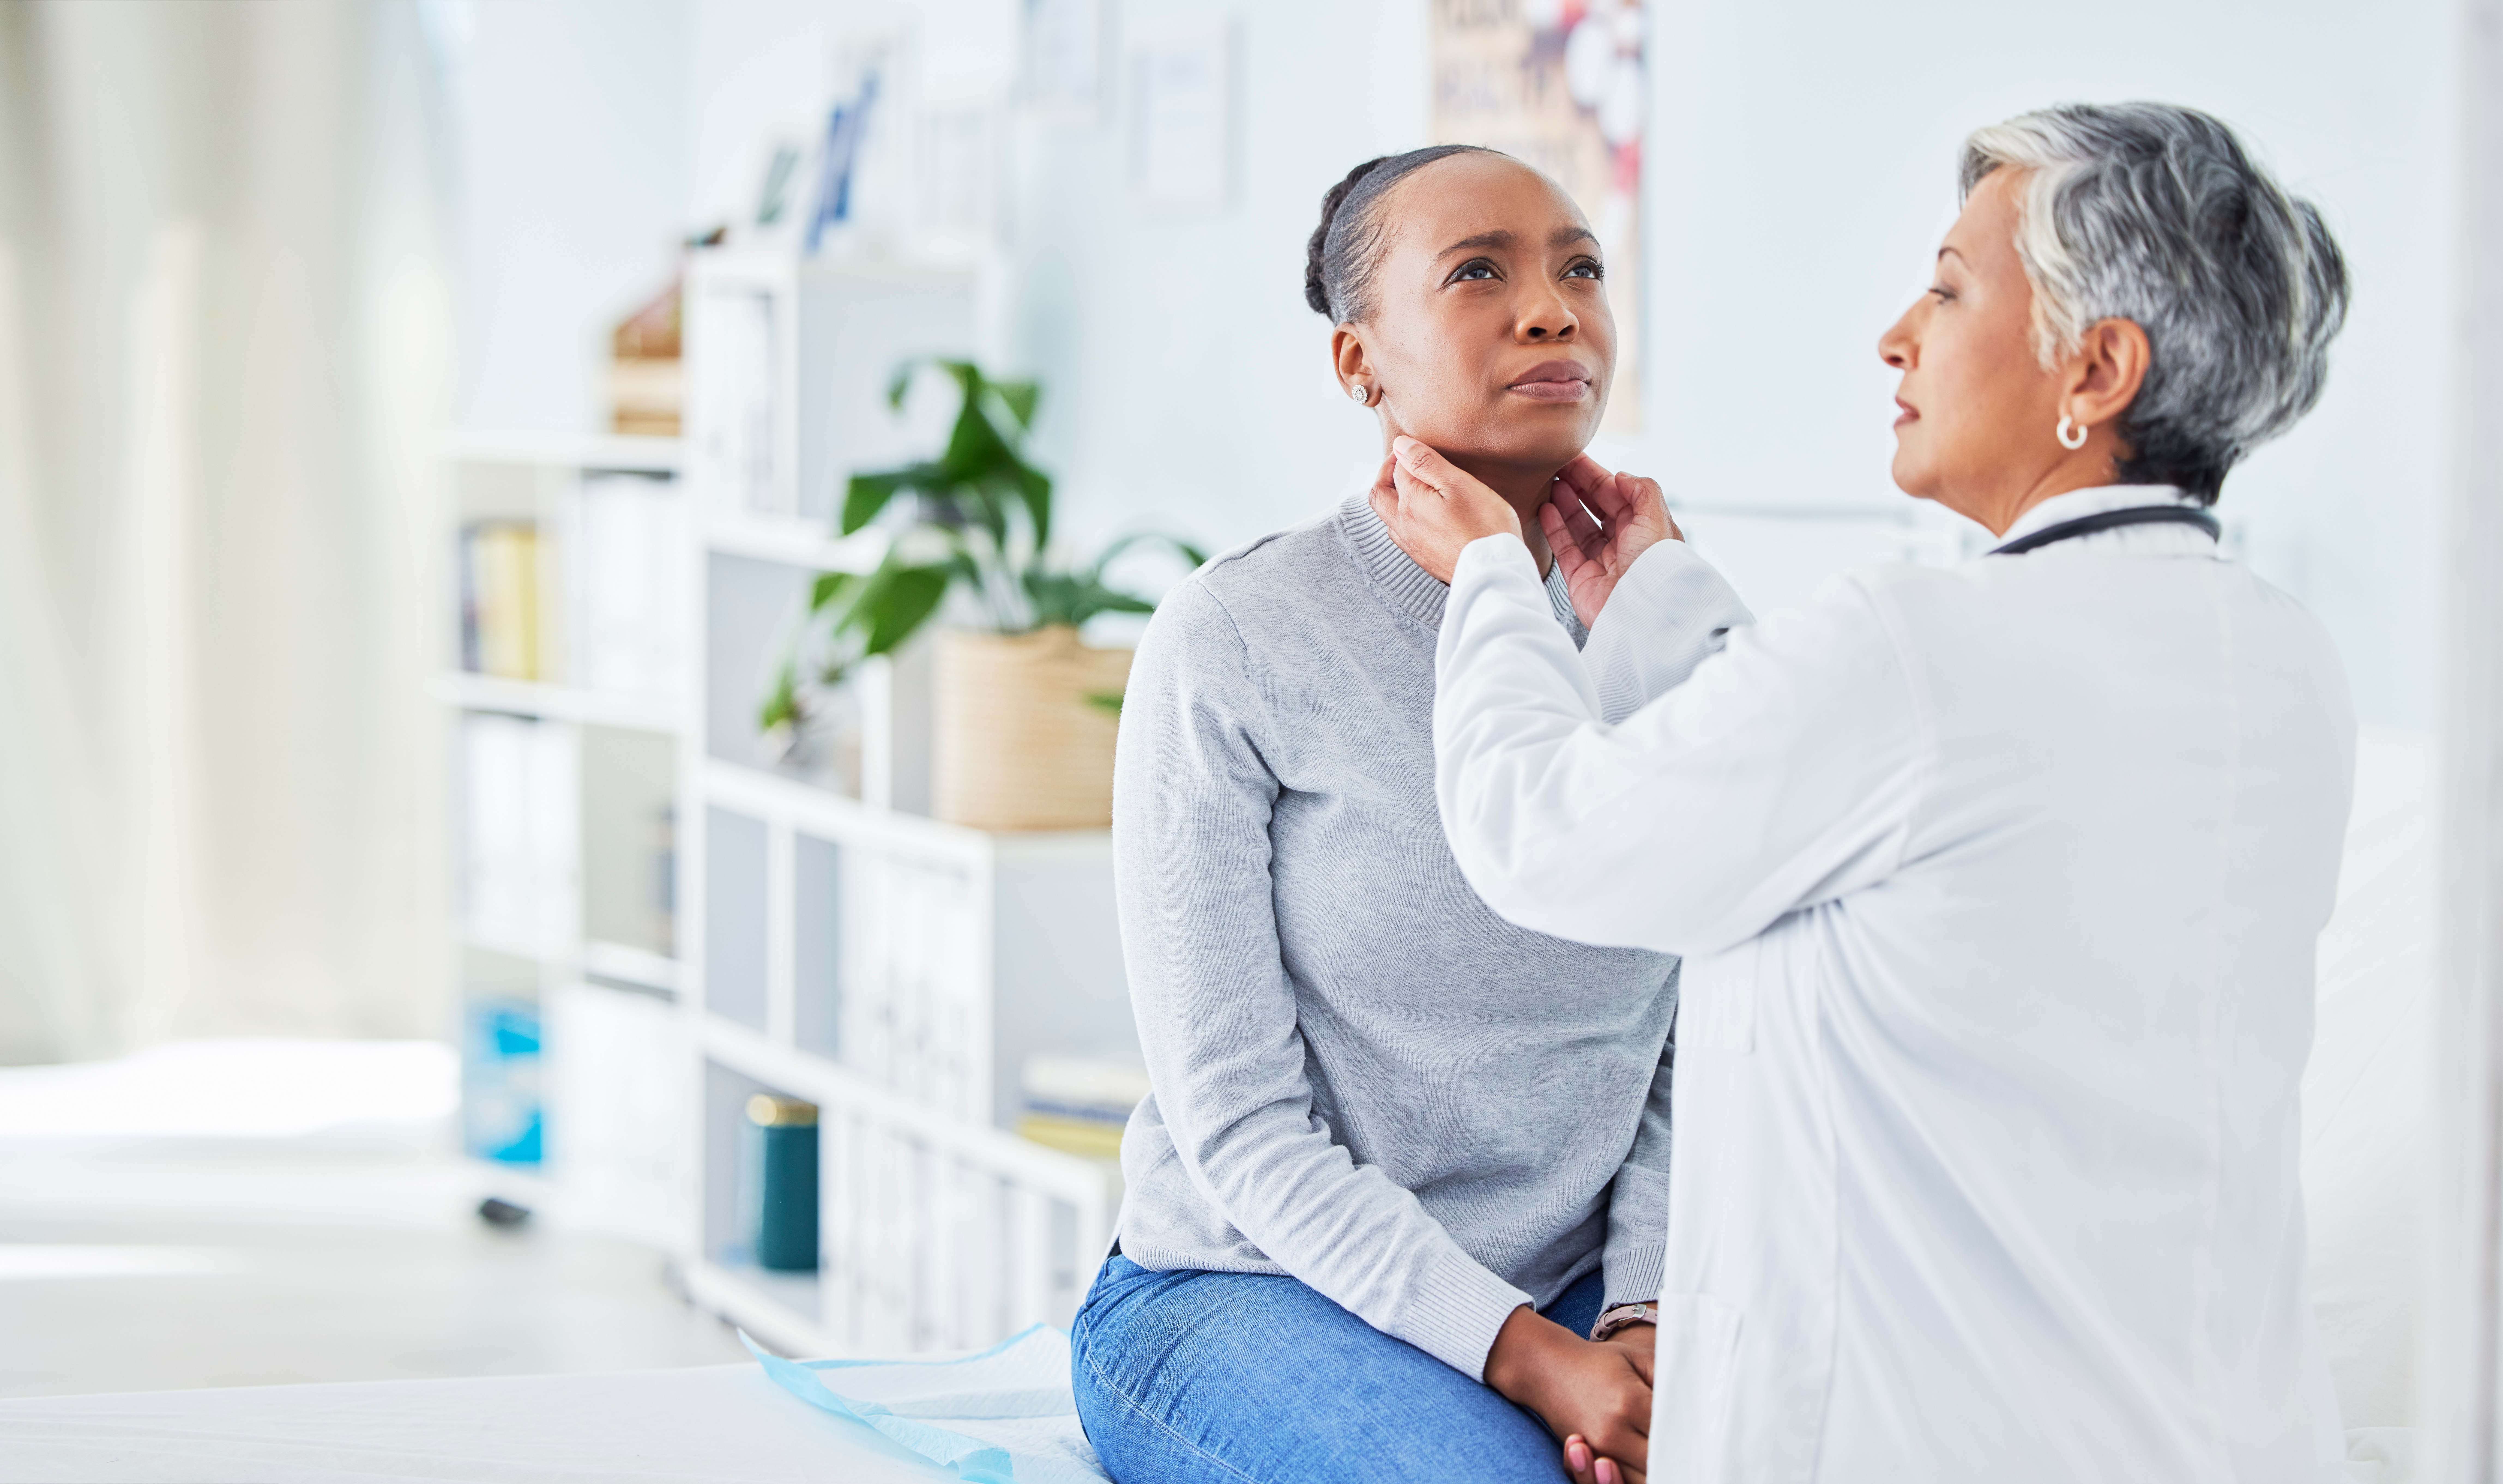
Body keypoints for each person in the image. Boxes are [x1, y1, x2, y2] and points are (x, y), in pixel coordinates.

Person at [1376, 102, 2355, 1482]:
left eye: (1950, 288)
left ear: (2099, 367)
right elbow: (1866, 824)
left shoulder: (1916, 648)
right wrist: (1655, 597)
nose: (1897, 331)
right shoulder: (2278, 653)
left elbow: (1542, 837)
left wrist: (1488, 579)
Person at [1072, 146, 1743, 1484]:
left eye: (1580, 269)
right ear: (1359, 365)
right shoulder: (1238, 636)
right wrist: (1538, 1364)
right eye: (1478, 273)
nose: (1551, 309)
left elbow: (1698, 1035)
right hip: (1252, 1289)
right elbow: (1242, 1128)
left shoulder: (1660, 620)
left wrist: (1649, 1321)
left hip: (1582, 1298)